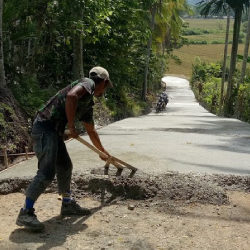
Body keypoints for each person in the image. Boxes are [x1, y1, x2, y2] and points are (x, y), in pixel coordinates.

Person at [16, 66, 112, 231]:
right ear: (103, 82)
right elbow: (71, 96)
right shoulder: (87, 83)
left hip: (54, 131)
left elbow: (91, 131)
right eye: (106, 86)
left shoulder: (87, 103)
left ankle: (67, 203)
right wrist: (72, 126)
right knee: (46, 172)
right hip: (45, 127)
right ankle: (25, 212)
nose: (104, 90)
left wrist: (103, 153)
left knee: (65, 166)